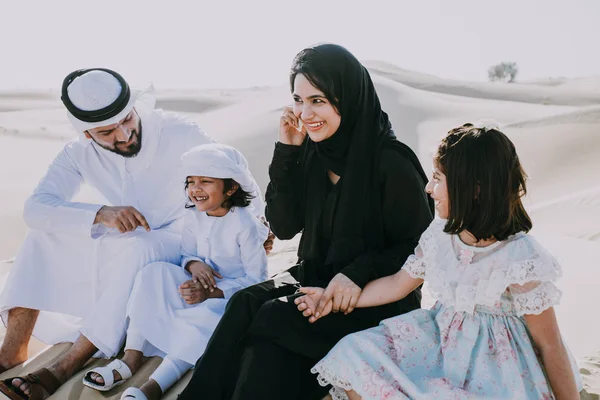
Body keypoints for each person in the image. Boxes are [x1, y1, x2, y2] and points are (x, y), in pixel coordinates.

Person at [178, 44, 433, 400]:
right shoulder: (312, 151)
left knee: (275, 319)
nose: (305, 112)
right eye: (299, 100)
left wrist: (357, 273)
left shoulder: (392, 162)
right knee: (245, 305)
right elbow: (283, 226)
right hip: (316, 276)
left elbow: (420, 247)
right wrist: (288, 151)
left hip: (376, 298)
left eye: (318, 100)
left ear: (347, 97)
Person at [0, 69, 271, 400]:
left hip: (185, 240)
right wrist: (101, 213)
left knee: (139, 246)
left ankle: (65, 366)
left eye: (127, 120)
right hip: (124, 237)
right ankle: (12, 353)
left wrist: (258, 226)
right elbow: (35, 209)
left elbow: (237, 176)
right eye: (107, 132)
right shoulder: (77, 152)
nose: (124, 134)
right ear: (87, 134)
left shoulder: (179, 131)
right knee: (40, 235)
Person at [297, 122, 583, 400]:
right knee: (354, 354)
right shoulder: (440, 236)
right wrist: (331, 299)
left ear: (474, 188)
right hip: (440, 343)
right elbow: (398, 284)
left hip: (497, 368)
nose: (428, 188)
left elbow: (549, 343)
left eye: (437, 178)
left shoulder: (519, 257)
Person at [80, 143, 269, 400]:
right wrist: (194, 265)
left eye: (205, 181)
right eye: (191, 181)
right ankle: (130, 359)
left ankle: (155, 385)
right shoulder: (193, 214)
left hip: (225, 299)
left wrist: (211, 293)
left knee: (203, 319)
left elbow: (256, 281)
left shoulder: (244, 224)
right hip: (194, 285)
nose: (195, 189)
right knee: (153, 273)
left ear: (231, 187)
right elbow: (186, 254)